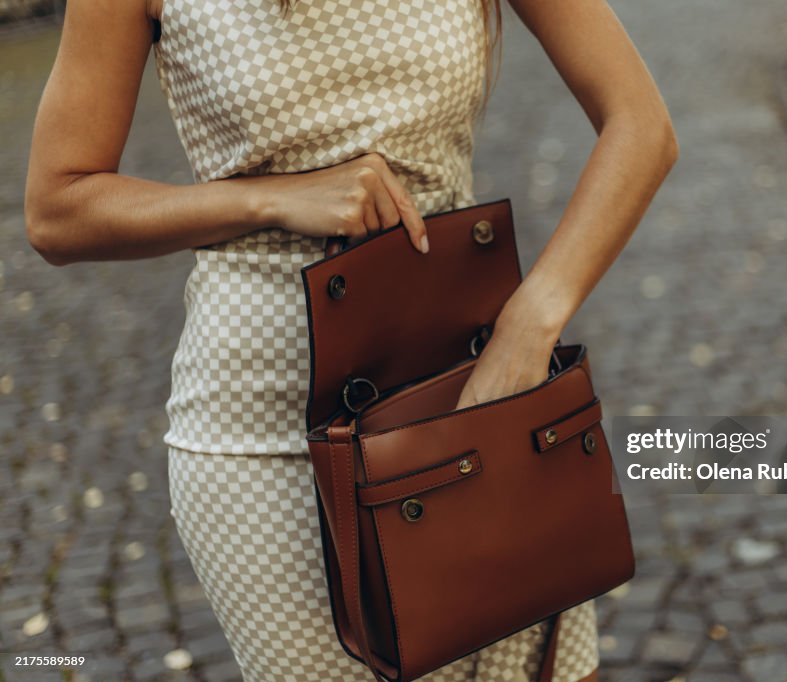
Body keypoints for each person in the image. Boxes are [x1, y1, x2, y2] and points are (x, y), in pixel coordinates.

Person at [24, 0, 676, 679]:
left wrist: (531, 322)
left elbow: (641, 125)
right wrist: (270, 197)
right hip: (269, 441)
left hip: (470, 399)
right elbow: (59, 207)